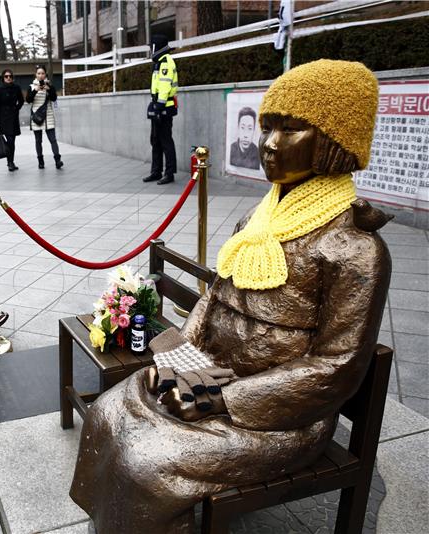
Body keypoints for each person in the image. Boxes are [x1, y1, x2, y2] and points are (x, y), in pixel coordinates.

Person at [71, 60, 390, 532]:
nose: (270, 144)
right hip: (208, 374)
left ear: (335, 139)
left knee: (147, 462)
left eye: (292, 129)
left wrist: (221, 400)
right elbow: (214, 298)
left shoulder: (356, 249)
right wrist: (179, 360)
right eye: (267, 128)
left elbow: (336, 367)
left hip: (279, 414)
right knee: (106, 414)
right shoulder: (255, 222)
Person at [142, 34, 178, 185]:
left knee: (165, 141)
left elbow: (164, 87)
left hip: (164, 107)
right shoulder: (159, 62)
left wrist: (158, 106)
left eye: (152, 47)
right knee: (155, 140)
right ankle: (156, 171)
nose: (151, 50)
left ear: (157, 47)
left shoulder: (166, 62)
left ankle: (169, 173)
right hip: (159, 106)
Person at [26, 65, 63, 170]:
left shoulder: (50, 85)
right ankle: (41, 162)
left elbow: (54, 98)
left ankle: (57, 160)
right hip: (37, 117)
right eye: (38, 73)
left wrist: (49, 89)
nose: (41, 75)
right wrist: (35, 90)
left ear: (45, 74)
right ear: (36, 75)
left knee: (53, 140)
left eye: (42, 73)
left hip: (49, 116)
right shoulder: (31, 86)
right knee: (38, 141)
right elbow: (28, 100)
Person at [0, 68, 23, 172]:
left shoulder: (17, 88)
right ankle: (10, 162)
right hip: (3, 119)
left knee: (12, 142)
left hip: (13, 118)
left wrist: (16, 108)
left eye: (10, 76)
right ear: (3, 78)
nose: (8, 78)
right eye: (6, 76)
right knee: (9, 141)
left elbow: (21, 101)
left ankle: (11, 162)